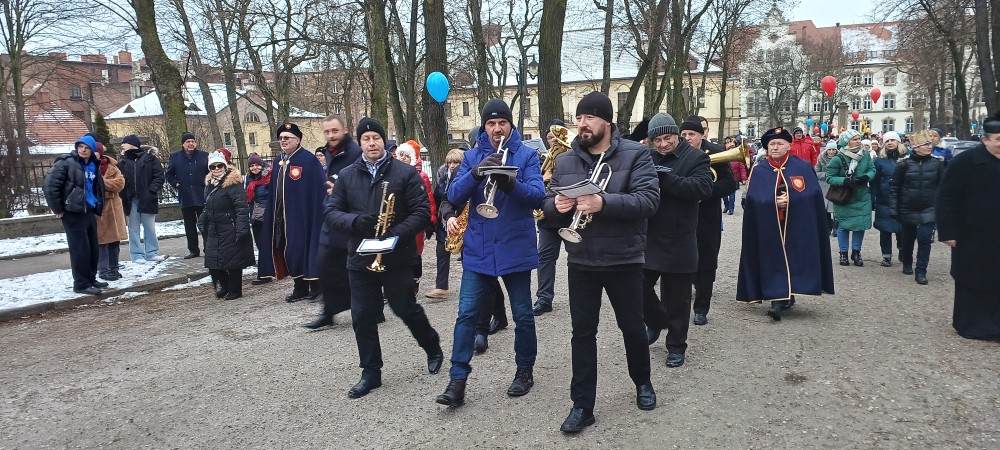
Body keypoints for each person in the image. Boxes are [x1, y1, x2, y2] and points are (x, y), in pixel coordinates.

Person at [542, 91, 659, 433]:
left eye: (589, 118)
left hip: (624, 258)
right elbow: (547, 207)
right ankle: (582, 405)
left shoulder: (636, 154)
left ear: (607, 122)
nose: (582, 124)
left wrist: (603, 203)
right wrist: (557, 208)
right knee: (582, 333)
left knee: (633, 327)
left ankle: (643, 383)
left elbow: (649, 201)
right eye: (579, 118)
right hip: (581, 259)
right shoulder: (565, 161)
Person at [436, 99, 544, 408]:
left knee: (523, 314)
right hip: (479, 249)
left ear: (511, 125)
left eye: (502, 123)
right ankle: (457, 381)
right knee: (466, 315)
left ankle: (524, 370)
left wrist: (511, 184)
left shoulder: (526, 155)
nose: (497, 129)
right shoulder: (471, 156)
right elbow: (453, 195)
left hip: (515, 246)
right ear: (484, 127)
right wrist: (474, 173)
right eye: (491, 124)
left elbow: (537, 197)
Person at [325, 117, 443, 398]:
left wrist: (396, 234)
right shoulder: (348, 175)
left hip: (396, 256)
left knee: (404, 308)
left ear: (382, 140)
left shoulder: (405, 173)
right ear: (360, 143)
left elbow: (421, 212)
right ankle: (371, 372)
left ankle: (431, 345)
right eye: (365, 139)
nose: (371, 143)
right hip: (361, 258)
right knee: (362, 316)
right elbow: (331, 213)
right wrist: (356, 222)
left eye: (376, 138)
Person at [737, 127, 835, 320]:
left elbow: (812, 195)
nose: (775, 147)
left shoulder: (802, 168)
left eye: (779, 143)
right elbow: (753, 199)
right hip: (769, 225)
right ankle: (776, 298)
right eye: (771, 144)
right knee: (771, 257)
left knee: (794, 257)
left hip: (796, 225)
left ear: (788, 145)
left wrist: (792, 200)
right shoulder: (760, 170)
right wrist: (773, 202)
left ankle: (788, 293)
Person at [641, 113, 712, 367]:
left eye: (667, 138)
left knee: (678, 298)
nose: (662, 144)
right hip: (649, 234)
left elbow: (703, 188)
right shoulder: (647, 157)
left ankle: (676, 346)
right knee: (636, 285)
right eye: (656, 140)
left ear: (677, 135)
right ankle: (657, 320)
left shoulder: (696, 157)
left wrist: (666, 179)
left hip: (679, 237)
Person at [936, 111, 1000, 340]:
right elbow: (946, 198)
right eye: (998, 140)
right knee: (972, 279)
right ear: (985, 139)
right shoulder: (965, 162)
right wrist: (947, 231)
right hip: (972, 234)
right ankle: (971, 325)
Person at [303, 115, 362, 329]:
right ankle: (328, 312)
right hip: (332, 217)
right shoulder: (329, 152)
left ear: (344, 130)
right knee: (324, 265)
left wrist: (342, 192)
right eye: (327, 132)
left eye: (334, 131)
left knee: (355, 270)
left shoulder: (355, 153)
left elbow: (362, 184)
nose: (331, 136)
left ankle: (370, 309)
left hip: (350, 219)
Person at [681, 116, 739, 326]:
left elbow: (729, 183)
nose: (687, 138)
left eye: (691, 134)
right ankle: (681, 306)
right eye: (684, 134)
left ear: (701, 135)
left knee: (706, 261)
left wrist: (704, 192)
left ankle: (701, 308)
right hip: (682, 216)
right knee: (683, 262)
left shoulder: (715, 152)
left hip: (707, 216)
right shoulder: (677, 152)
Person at [258, 122, 326, 302]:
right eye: (281, 138)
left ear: (298, 140)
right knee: (289, 251)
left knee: (304, 248)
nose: (283, 141)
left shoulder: (308, 160)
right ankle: (299, 286)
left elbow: (319, 189)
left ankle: (315, 286)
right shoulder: (278, 161)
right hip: (281, 216)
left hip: (303, 216)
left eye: (287, 138)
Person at [43, 135, 108, 295]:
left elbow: (97, 187)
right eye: (80, 147)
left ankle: (91, 279)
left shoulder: (93, 165)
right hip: (72, 211)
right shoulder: (66, 163)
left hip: (88, 210)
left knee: (93, 248)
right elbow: (50, 186)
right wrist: (58, 209)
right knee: (80, 249)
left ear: (92, 150)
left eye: (86, 147)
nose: (83, 150)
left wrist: (98, 206)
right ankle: (81, 284)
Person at [889, 130, 946, 285]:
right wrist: (894, 208)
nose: (929, 147)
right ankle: (907, 263)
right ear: (916, 147)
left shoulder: (937, 163)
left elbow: (943, 188)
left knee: (925, 239)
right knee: (908, 239)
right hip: (908, 207)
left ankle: (921, 271)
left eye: (930, 144)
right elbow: (895, 188)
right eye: (926, 144)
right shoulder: (904, 164)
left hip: (929, 208)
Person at [198, 151, 254, 300]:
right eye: (213, 167)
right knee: (213, 261)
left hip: (231, 226)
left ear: (225, 165)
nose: (216, 169)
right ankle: (226, 285)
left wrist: (242, 228)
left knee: (233, 261)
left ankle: (235, 290)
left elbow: (241, 208)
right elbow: (207, 205)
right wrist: (202, 220)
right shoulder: (210, 184)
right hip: (215, 227)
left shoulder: (233, 184)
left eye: (219, 165)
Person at [533, 118, 570, 315]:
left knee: (578, 259)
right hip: (547, 219)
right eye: (550, 138)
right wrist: (542, 178)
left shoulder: (575, 158)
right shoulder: (542, 160)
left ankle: (582, 297)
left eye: (557, 138)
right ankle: (544, 298)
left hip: (570, 217)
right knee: (545, 258)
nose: (553, 141)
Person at [825, 129, 876, 267]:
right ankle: (843, 253)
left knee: (860, 226)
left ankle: (856, 252)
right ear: (847, 141)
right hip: (845, 197)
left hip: (862, 196)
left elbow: (872, 170)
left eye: (859, 138)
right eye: (855, 139)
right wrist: (844, 181)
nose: (858, 141)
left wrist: (867, 176)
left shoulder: (865, 155)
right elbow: (829, 177)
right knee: (843, 226)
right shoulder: (838, 158)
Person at [395, 140, 438, 294]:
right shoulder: (393, 175)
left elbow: (429, 199)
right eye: (400, 155)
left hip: (415, 221)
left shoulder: (422, 176)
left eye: (406, 156)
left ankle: (414, 281)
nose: (402, 158)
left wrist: (431, 220)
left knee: (415, 252)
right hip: (398, 220)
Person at [117, 134, 165, 263]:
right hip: (130, 199)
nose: (122, 145)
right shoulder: (122, 162)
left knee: (149, 227)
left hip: (147, 198)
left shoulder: (150, 159)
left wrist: (151, 190)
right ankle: (137, 254)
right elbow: (119, 180)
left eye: (125, 142)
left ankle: (151, 253)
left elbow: (159, 176)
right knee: (133, 228)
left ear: (133, 144)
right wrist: (123, 193)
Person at [426, 148, 465, 299]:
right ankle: (441, 287)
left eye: (456, 162)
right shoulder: (442, 178)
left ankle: (472, 286)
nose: (452, 165)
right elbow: (437, 200)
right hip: (444, 222)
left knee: (466, 255)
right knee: (441, 253)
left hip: (462, 221)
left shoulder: (463, 178)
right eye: (449, 162)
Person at [165, 131, 209, 259]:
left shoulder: (204, 156)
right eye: (188, 142)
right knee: (189, 225)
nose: (191, 144)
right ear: (183, 144)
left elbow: (210, 172)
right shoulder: (175, 157)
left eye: (193, 141)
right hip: (186, 196)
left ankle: (208, 248)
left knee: (205, 223)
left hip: (202, 195)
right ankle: (193, 250)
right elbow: (169, 174)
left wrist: (207, 183)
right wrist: (176, 184)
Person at [93, 142, 126, 281]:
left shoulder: (112, 166)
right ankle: (103, 269)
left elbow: (120, 183)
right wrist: (106, 186)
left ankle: (114, 267)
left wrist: (101, 182)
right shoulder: (87, 167)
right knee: (102, 241)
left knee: (114, 241)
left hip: (114, 207)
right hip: (99, 208)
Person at [871, 132, 905, 267]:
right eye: (887, 141)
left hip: (902, 199)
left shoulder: (906, 158)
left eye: (893, 140)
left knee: (902, 229)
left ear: (898, 142)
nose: (890, 142)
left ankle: (902, 250)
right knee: (884, 229)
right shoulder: (879, 161)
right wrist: (873, 197)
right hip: (884, 198)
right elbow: (875, 181)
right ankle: (886, 255)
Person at [243, 153, 272, 285]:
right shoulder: (249, 180)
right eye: (252, 165)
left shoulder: (268, 178)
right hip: (254, 217)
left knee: (265, 245)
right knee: (260, 245)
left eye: (257, 165)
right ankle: (268, 271)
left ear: (261, 165)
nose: (254, 168)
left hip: (266, 216)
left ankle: (264, 275)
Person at [815, 141, 840, 236]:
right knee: (825, 208)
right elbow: (816, 172)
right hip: (824, 185)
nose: (831, 152)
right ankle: (828, 227)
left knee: (835, 207)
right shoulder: (821, 158)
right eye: (829, 149)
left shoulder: (840, 158)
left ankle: (836, 227)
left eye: (833, 149)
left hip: (836, 185)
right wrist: (827, 175)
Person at [725, 137, 747, 215]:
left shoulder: (737, 159)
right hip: (725, 178)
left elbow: (742, 168)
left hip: (734, 179)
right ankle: (726, 206)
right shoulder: (725, 158)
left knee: (732, 195)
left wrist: (744, 178)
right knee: (724, 195)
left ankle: (731, 208)